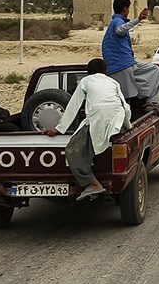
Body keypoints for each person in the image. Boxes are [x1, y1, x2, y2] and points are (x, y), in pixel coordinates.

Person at [43, 58, 132, 201]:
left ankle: (93, 184)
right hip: (118, 118)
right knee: (94, 142)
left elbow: (74, 105)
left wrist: (59, 129)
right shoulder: (113, 82)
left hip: (98, 118)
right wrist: (128, 126)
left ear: (88, 72)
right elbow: (124, 105)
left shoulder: (86, 81)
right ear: (105, 71)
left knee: (73, 151)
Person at [102, 0, 159, 110]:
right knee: (125, 101)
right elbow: (120, 30)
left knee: (154, 70)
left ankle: (151, 102)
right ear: (125, 9)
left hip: (127, 64)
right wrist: (138, 19)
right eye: (128, 9)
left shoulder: (114, 23)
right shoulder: (117, 21)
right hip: (121, 66)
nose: (128, 11)